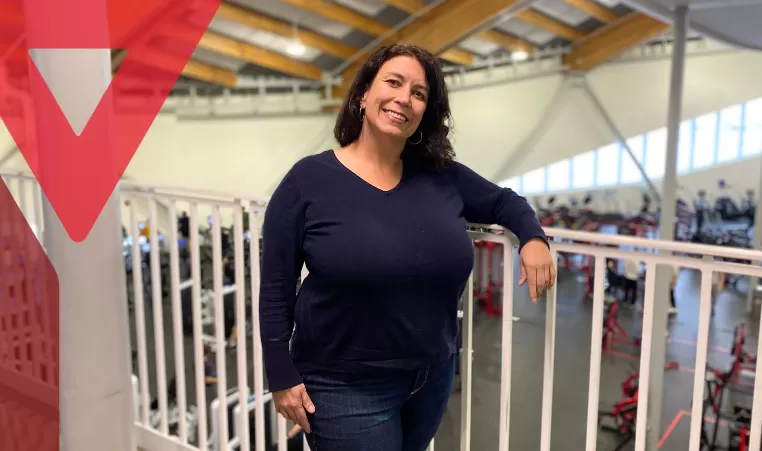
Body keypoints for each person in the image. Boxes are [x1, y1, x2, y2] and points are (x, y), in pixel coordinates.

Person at [259, 44, 555, 451]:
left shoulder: (440, 176)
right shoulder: (307, 181)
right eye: (394, 83)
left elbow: (506, 201)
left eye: (418, 93)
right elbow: (276, 286)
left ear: (423, 113)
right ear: (363, 95)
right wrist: (280, 375)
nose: (404, 98)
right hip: (343, 384)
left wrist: (534, 238)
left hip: (432, 376)